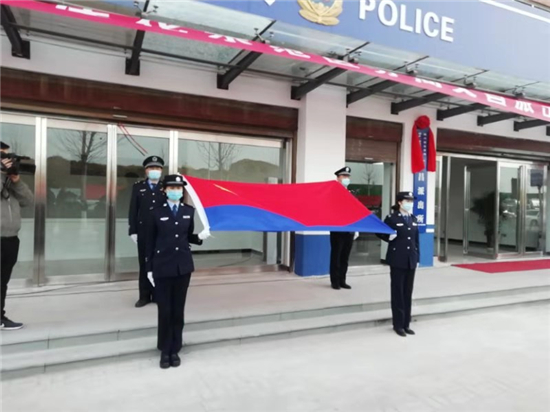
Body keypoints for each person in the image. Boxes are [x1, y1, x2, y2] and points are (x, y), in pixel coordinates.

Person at [145, 174, 210, 369]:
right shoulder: (155, 212)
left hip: (183, 267)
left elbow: (186, 236)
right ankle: (165, 350)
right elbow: (149, 242)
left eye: (179, 188)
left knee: (178, 310)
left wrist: (200, 237)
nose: (176, 191)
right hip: (162, 267)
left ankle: (175, 347)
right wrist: (148, 269)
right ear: (165, 190)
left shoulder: (188, 211)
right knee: (165, 310)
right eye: (172, 188)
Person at [1, 141, 33, 330]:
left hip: (11, 239)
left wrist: (16, 180)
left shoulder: (9, 180)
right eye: (2, 156)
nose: (6, 160)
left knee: (2, 281)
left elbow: (28, 200)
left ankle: (0, 316)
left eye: (7, 156)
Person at [377, 192, 419, 337]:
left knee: (408, 292)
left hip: (410, 260)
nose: (410, 203)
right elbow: (379, 231)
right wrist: (388, 237)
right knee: (398, 292)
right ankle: (398, 324)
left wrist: (417, 257)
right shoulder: (392, 218)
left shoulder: (413, 218)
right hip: (397, 259)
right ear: (400, 202)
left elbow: (416, 240)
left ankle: (406, 324)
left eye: (411, 201)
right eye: (407, 201)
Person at [129, 156, 165, 308]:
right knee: (144, 264)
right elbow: (133, 210)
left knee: (159, 263)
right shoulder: (138, 187)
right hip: (143, 232)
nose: (154, 170)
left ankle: (158, 295)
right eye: (151, 168)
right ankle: (144, 296)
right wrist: (133, 230)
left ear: (161, 170)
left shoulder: (166, 187)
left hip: (161, 232)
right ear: (146, 170)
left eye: (157, 168)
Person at [330, 166, 359, 290]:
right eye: (344, 176)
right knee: (336, 256)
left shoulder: (352, 194)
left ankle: (342, 280)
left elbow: (356, 211)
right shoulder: (332, 192)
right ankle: (335, 281)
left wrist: (356, 228)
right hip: (338, 230)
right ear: (338, 178)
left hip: (349, 230)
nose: (347, 178)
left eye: (348, 176)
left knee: (345, 258)